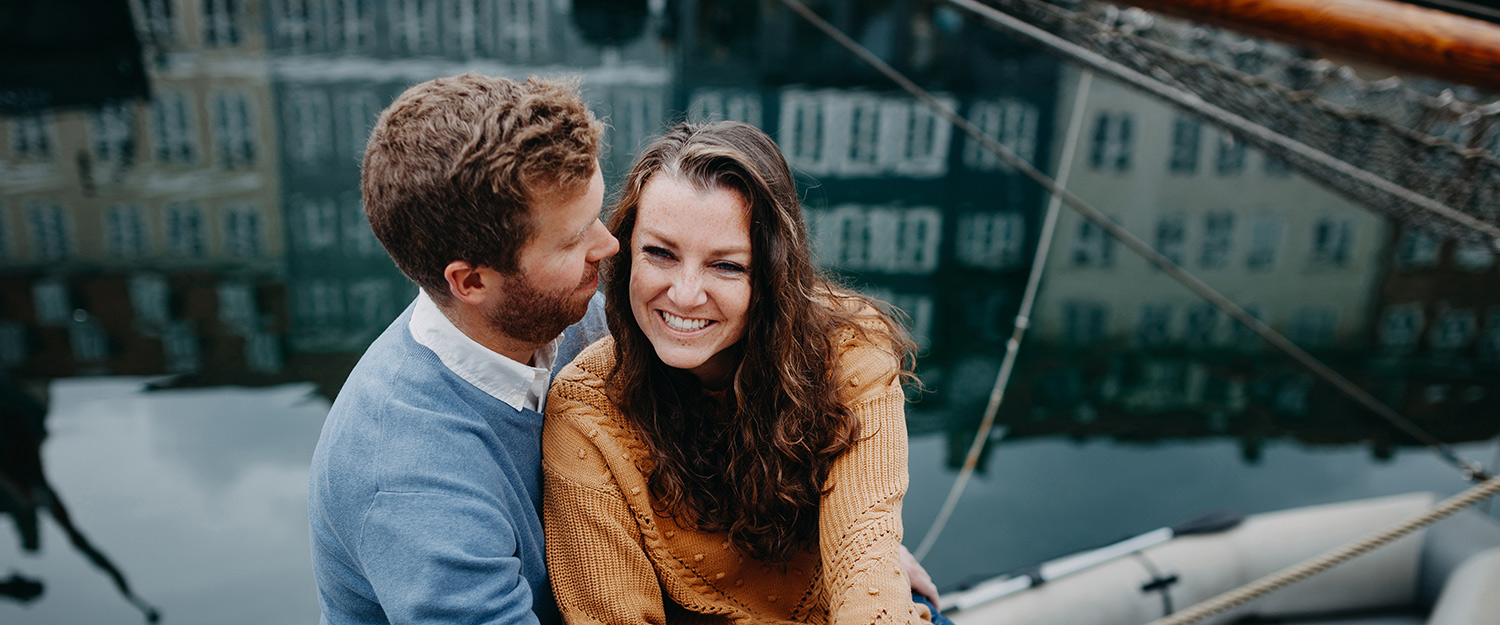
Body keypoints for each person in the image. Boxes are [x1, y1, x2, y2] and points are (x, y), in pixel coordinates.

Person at [542, 121, 949, 624]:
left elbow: (865, 556)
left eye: (727, 266)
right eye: (660, 254)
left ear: (773, 275)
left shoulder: (850, 349)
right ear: (625, 255)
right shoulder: (586, 413)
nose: (686, 294)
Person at [307, 73, 617, 625]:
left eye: (597, 215)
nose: (609, 245)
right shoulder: (412, 484)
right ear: (470, 283)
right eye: (574, 240)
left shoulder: (563, 305)